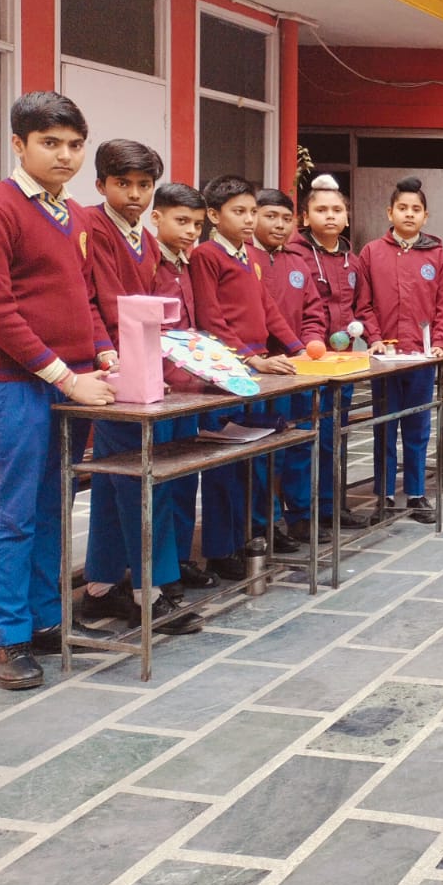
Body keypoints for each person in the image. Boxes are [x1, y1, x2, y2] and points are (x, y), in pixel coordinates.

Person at [0, 92, 116, 689]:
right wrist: (66, 376)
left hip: (72, 385)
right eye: (50, 143)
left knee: (55, 505)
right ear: (19, 144)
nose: (65, 155)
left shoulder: (73, 214)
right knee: (14, 512)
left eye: (74, 145)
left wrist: (104, 350)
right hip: (17, 387)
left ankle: (48, 618)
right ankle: (8, 637)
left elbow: (85, 296)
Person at [76, 140, 200, 635]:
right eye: (122, 183)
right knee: (141, 484)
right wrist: (105, 352)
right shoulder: (90, 227)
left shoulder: (144, 241)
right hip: (110, 373)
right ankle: (154, 591)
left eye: (144, 185)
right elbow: (85, 299)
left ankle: (100, 587)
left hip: (144, 375)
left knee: (116, 482)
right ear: (101, 184)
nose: (134, 194)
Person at [190, 175, 301, 580]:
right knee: (223, 465)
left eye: (252, 211)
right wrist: (251, 359)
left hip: (256, 370)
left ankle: (246, 536)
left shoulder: (249, 255)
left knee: (252, 461)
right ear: (213, 215)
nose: (250, 219)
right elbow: (210, 319)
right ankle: (220, 549)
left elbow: (269, 309)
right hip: (226, 371)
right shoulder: (206, 256)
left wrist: (298, 350)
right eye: (239, 212)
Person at [361, 176, 443, 524]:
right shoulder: (372, 253)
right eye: (403, 208)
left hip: (420, 359)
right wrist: (374, 337)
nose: (409, 214)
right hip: (385, 358)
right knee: (384, 426)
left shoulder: (437, 255)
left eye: (416, 209)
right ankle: (385, 495)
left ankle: (416, 493)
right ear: (390, 212)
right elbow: (364, 304)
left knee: (418, 426)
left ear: (425, 216)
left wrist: (440, 343)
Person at [290, 174, 377, 528]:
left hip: (343, 362)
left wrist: (373, 338)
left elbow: (362, 306)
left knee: (334, 436)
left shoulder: (351, 260)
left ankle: (330, 506)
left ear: (346, 216)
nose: (330, 216)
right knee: (302, 438)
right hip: (305, 362)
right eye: (321, 209)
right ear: (305, 217)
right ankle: (300, 514)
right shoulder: (294, 256)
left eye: (337, 210)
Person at [148, 182, 212, 592]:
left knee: (186, 479)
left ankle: (181, 559)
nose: (191, 231)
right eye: (182, 221)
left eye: (197, 224)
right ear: (157, 218)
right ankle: (160, 571)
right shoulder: (148, 263)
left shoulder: (185, 265)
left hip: (189, 389)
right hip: (158, 391)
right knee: (160, 484)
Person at [252, 188, 324, 550]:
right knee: (265, 452)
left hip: (298, 370)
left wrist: (310, 346)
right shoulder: (244, 258)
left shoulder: (298, 262)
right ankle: (263, 525)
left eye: (286, 218)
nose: (279, 225)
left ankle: (300, 516)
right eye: (270, 216)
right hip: (260, 371)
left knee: (300, 444)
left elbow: (314, 312)